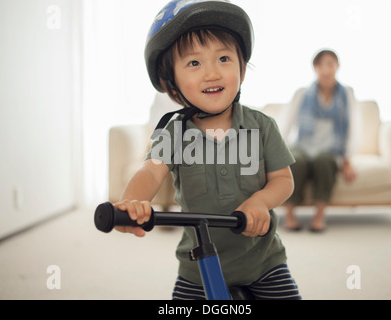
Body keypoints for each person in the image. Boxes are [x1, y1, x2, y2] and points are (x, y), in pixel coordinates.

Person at [112, 0, 301, 300]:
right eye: (194, 63)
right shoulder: (173, 131)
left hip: (263, 262)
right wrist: (131, 203)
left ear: (242, 66)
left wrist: (261, 201)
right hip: (197, 269)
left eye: (224, 58)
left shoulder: (262, 125)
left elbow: (283, 179)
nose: (212, 73)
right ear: (171, 79)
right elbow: (150, 171)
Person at [280, 49, 358, 232]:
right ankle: (290, 215)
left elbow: (353, 128)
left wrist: (347, 160)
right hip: (303, 147)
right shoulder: (302, 94)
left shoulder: (346, 94)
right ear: (315, 68)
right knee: (295, 161)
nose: (325, 69)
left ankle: (319, 216)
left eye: (330, 64)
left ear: (337, 66)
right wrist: (277, 155)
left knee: (324, 162)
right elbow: (285, 125)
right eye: (320, 65)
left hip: (330, 150)